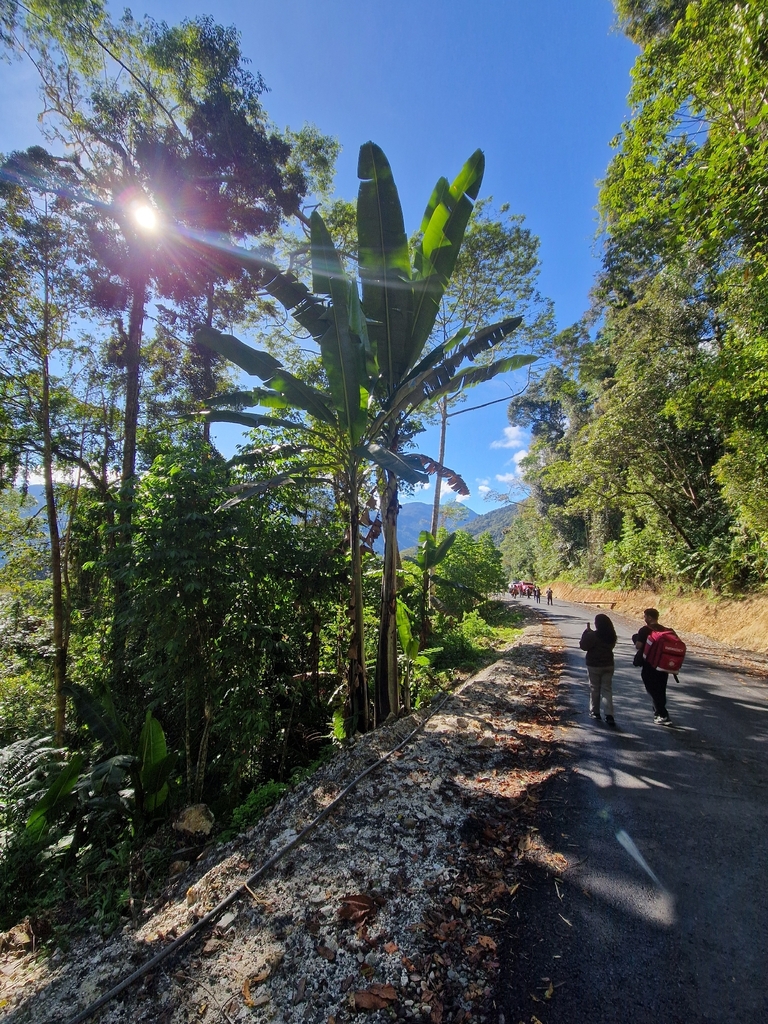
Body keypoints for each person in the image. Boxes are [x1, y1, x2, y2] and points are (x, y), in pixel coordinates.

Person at [632, 608, 672, 725]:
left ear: (649, 617)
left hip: (649, 664)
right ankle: (659, 713)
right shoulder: (666, 630)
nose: (644, 619)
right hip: (663, 664)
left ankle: (662, 714)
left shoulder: (644, 630)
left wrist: (636, 639)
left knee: (652, 690)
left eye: (645, 616)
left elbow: (639, 646)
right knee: (661, 689)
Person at [579, 613, 618, 727]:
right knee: (607, 689)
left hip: (594, 665)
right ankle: (609, 714)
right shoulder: (611, 636)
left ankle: (595, 712)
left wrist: (585, 634)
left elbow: (583, 646)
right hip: (608, 664)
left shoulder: (593, 635)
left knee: (594, 688)